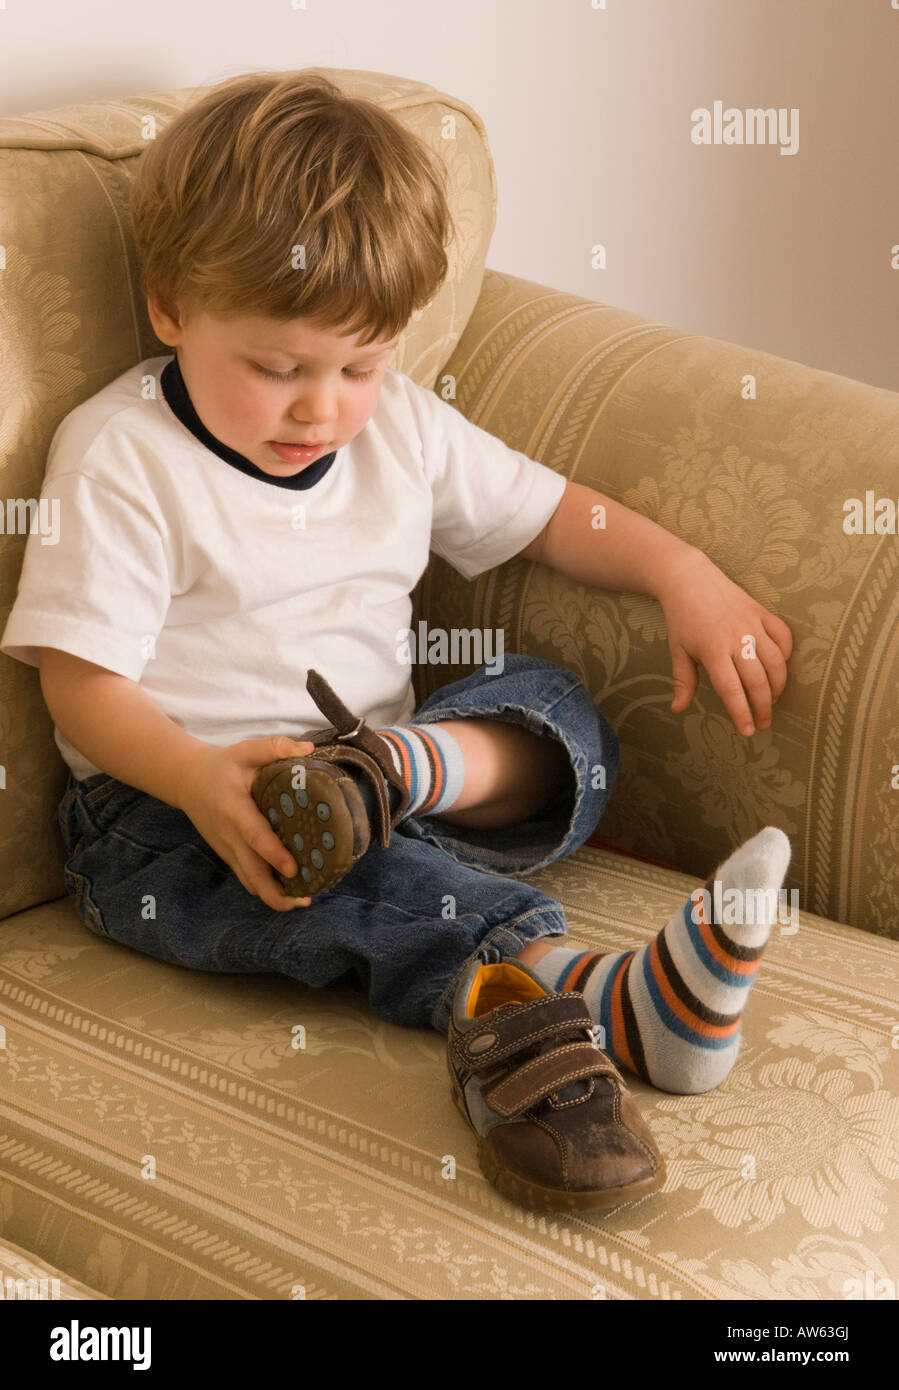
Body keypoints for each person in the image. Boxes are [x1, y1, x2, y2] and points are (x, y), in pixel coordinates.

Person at [0, 71, 793, 1212]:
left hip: (383, 765)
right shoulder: (123, 457)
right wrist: (198, 775)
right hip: (172, 816)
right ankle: (611, 1001)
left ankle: (395, 770)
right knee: (392, 890)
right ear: (169, 306)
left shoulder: (402, 431)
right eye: (277, 369)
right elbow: (81, 687)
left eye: (358, 369)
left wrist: (683, 573)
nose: (320, 409)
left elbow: (557, 514)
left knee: (556, 702)